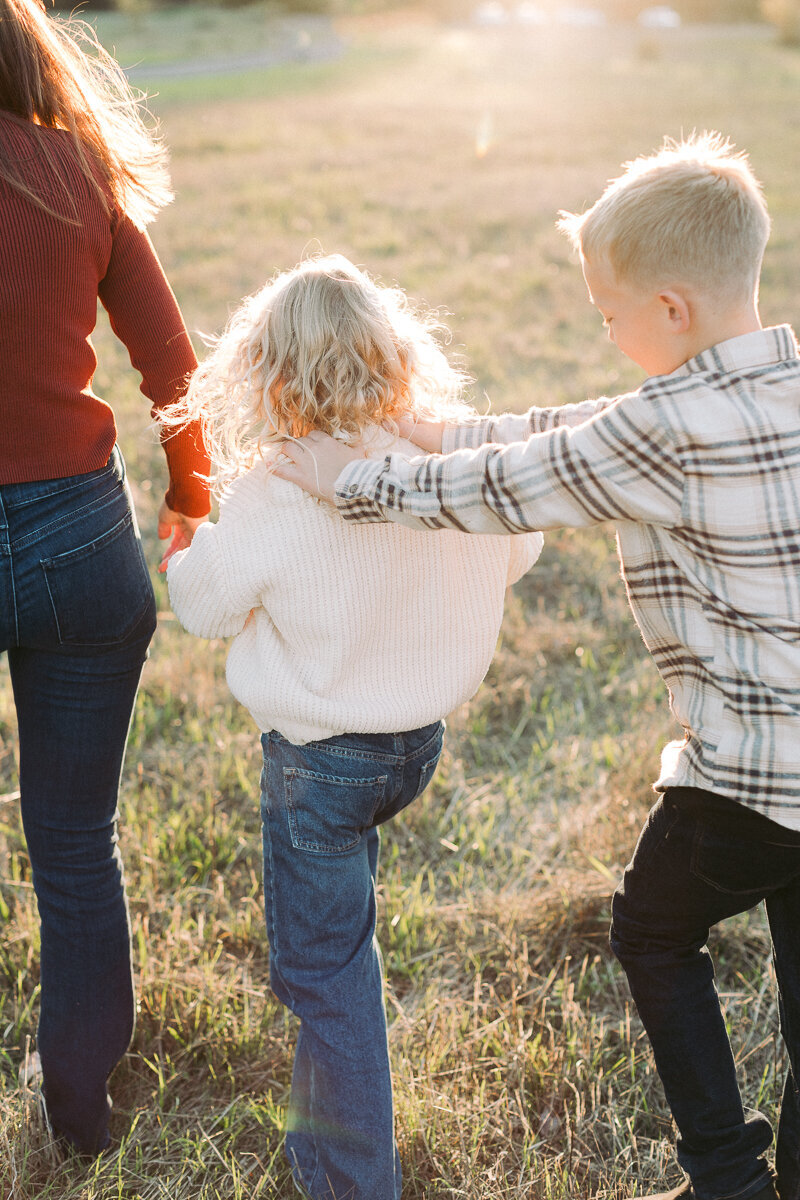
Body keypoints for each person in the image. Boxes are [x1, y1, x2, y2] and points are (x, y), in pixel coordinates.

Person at [274, 135, 800, 1200]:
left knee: (651, 932)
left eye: (606, 315)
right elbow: (571, 432)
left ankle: (724, 1173)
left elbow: (509, 486)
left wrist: (361, 483)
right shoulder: (770, 379)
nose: (602, 332)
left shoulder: (662, 428)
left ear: (668, 309)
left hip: (752, 779)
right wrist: (440, 428)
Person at [164, 253, 543, 1200]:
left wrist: (185, 544)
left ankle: (355, 1180)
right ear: (394, 355)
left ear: (265, 376)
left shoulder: (273, 489)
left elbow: (206, 608)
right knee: (340, 940)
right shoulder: (439, 464)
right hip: (414, 745)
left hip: (322, 766)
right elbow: (523, 546)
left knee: (325, 974)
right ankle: (320, 1140)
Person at [0, 0, 209, 1157]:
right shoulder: (76, 171)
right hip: (82, 539)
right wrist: (192, 491)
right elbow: (171, 365)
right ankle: (82, 1119)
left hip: (69, 535)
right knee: (75, 844)